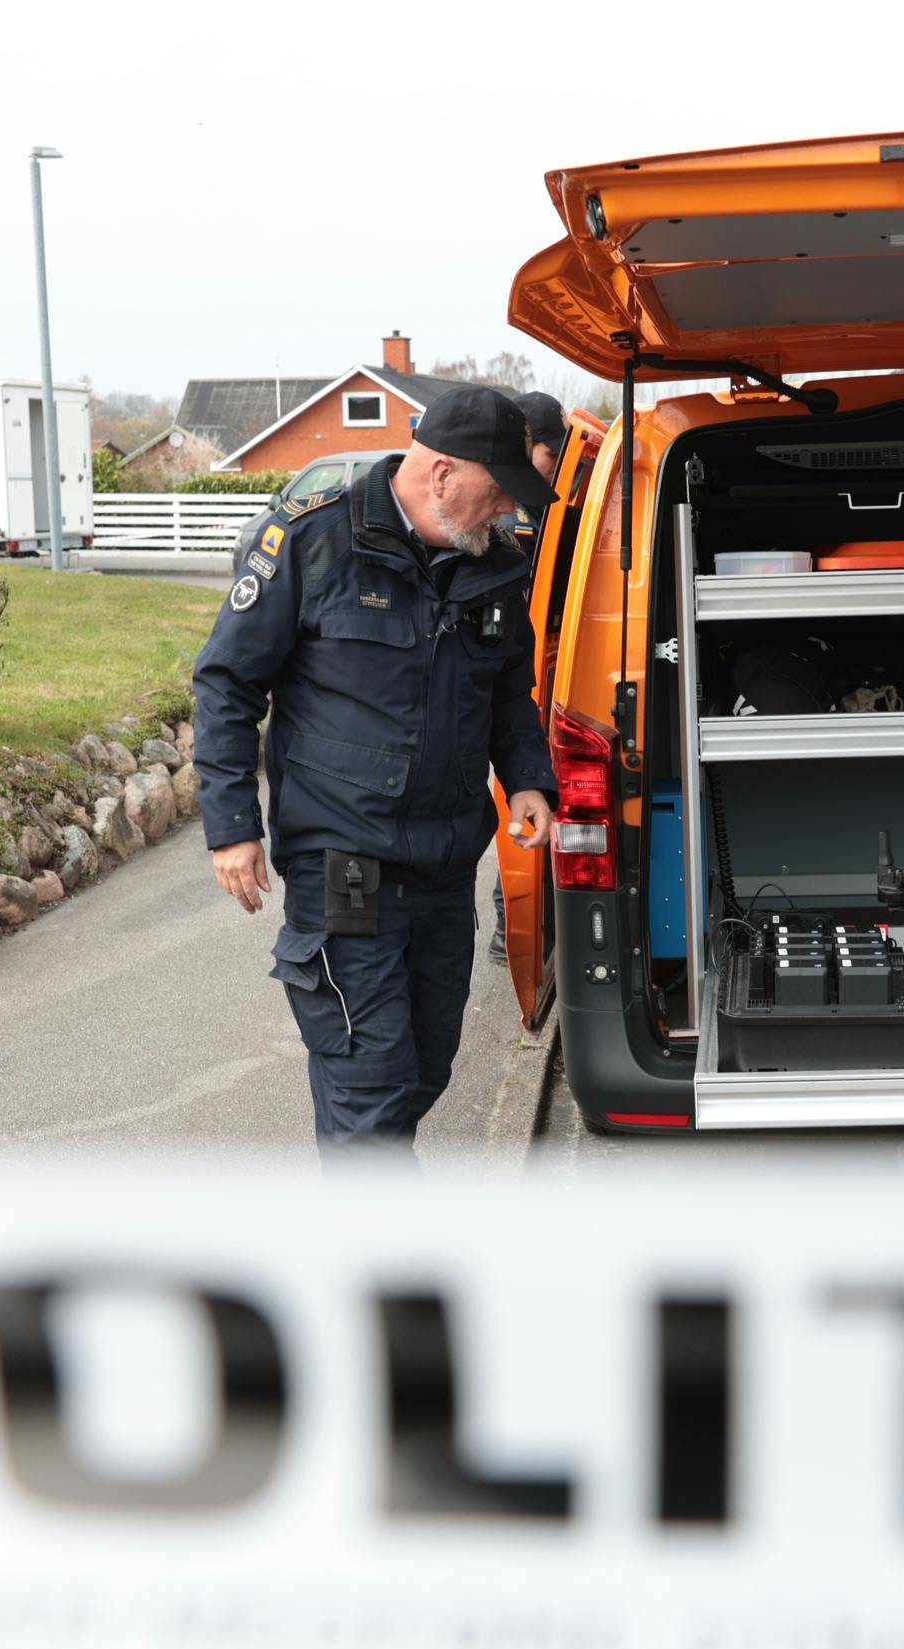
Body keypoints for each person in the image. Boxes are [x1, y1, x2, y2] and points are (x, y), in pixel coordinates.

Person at [193, 385, 559, 1152]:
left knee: (423, 1071)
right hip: (344, 871)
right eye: (496, 494)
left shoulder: (496, 564)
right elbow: (228, 683)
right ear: (443, 475)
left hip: (445, 871)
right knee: (371, 1089)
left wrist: (527, 778)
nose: (503, 513)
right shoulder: (312, 541)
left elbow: (508, 693)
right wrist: (233, 826)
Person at [484, 388, 569, 966]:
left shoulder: (544, 509)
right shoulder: (509, 520)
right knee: (514, 798)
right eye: (549, 453)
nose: (554, 465)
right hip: (520, 672)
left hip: (540, 666)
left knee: (531, 793)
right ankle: (507, 918)